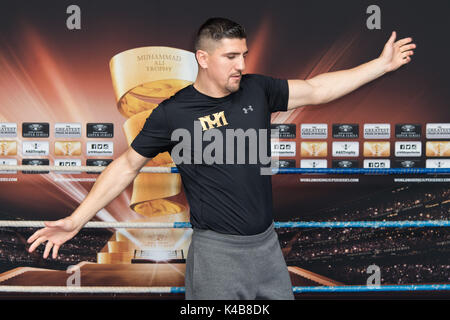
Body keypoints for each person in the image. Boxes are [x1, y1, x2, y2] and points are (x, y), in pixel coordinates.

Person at [26, 17, 415, 300]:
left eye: (243, 55)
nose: (241, 65)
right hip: (217, 254)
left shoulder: (256, 89)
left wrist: (379, 66)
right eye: (230, 56)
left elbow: (314, 89)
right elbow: (127, 165)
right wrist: (76, 220)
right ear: (203, 58)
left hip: (266, 247)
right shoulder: (173, 112)